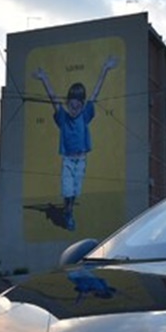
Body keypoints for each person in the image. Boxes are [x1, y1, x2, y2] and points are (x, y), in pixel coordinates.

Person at [33, 55, 118, 230]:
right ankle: (69, 213)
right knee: (67, 188)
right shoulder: (63, 117)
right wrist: (44, 78)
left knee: (75, 191)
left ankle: (68, 209)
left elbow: (95, 93)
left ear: (81, 105)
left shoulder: (85, 114)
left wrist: (105, 69)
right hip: (67, 160)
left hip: (81, 160)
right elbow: (53, 98)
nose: (74, 110)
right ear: (68, 103)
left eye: (77, 107)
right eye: (71, 106)